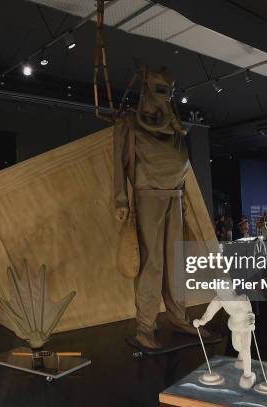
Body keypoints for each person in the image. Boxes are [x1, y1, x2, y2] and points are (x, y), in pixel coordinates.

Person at [114, 67, 203, 349]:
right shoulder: (129, 123)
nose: (167, 97)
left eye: (170, 91)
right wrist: (120, 199)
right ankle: (145, 326)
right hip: (147, 198)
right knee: (151, 264)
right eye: (161, 89)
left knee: (175, 262)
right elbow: (117, 165)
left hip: (174, 198)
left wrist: (185, 203)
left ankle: (178, 316)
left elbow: (183, 165)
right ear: (148, 88)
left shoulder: (174, 127)